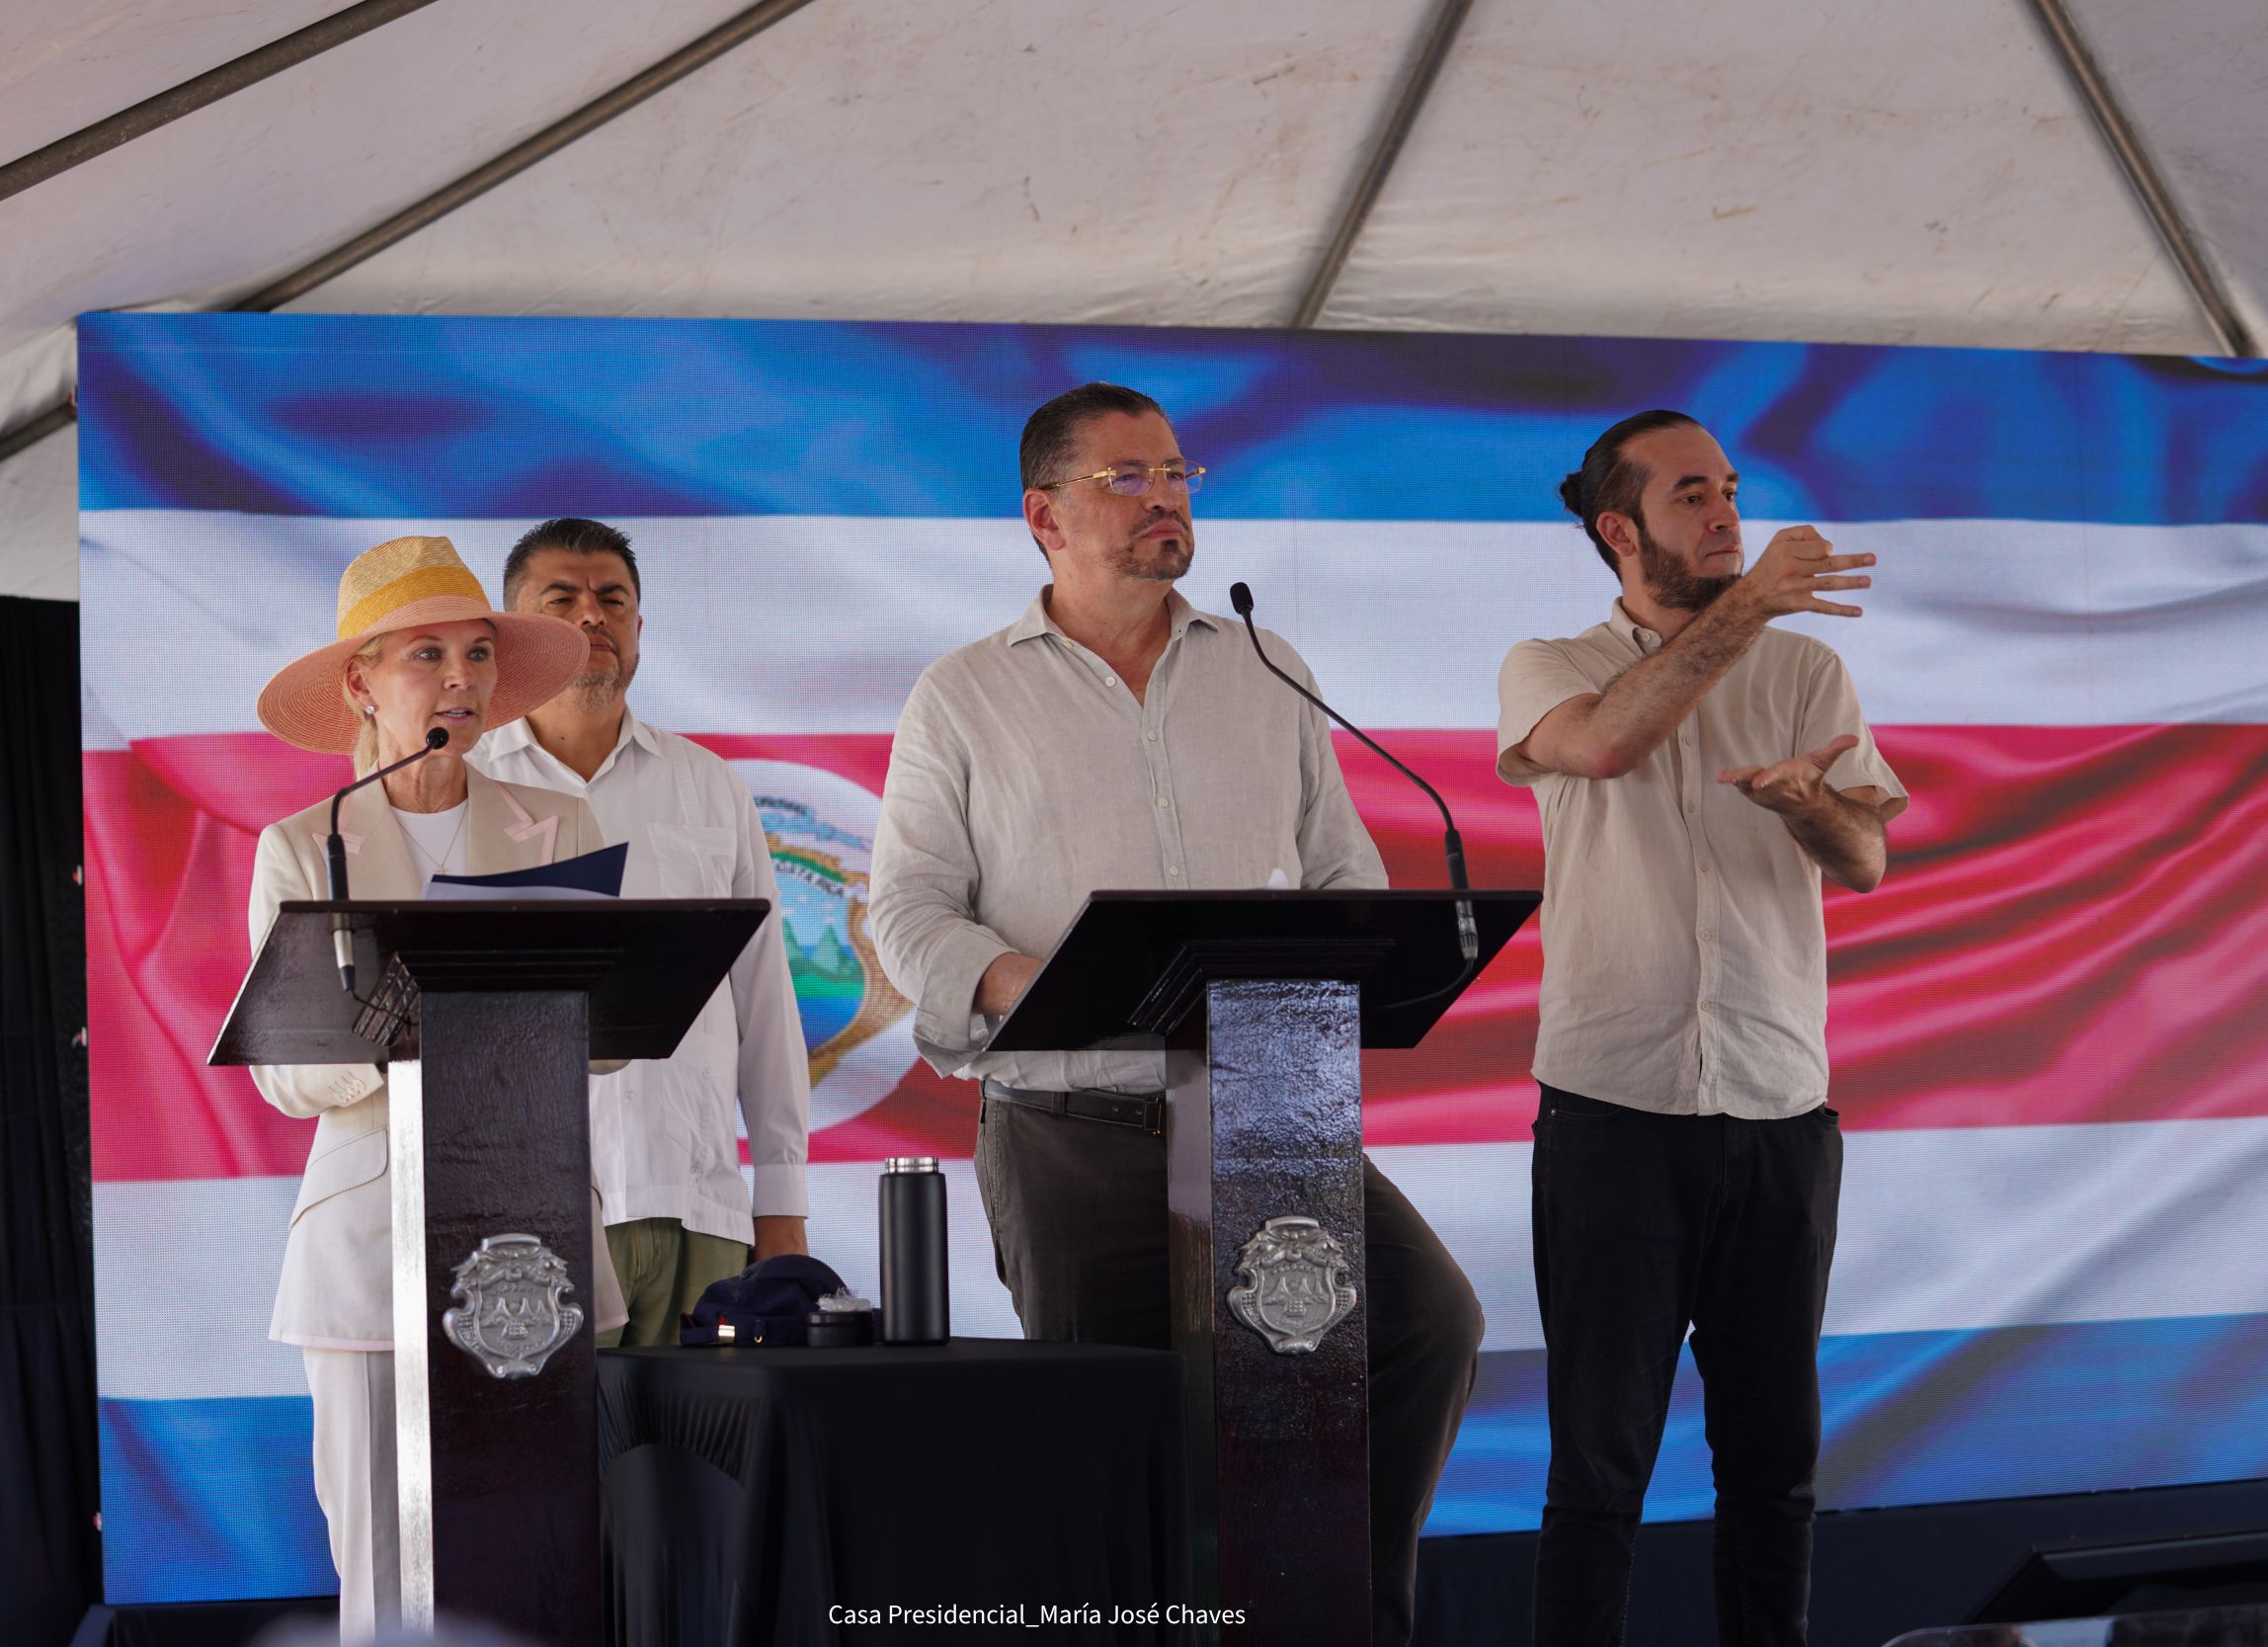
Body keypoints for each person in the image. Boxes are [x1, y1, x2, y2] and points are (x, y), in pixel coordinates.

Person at [868, 382, 1485, 1647]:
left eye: (1176, 473)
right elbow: (907, 912)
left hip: (1265, 1121)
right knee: (1115, 1437)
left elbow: (1343, 875)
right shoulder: (963, 693)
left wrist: (1355, 950)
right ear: (1043, 515)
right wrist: (1043, 983)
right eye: (1128, 477)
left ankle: (1334, 1619)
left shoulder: (1265, 666)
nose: (1166, 498)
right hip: (1071, 1128)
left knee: (1428, 1322)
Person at [1496, 410, 1908, 1646]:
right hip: (1613, 1114)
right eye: (1691, 495)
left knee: (1775, 1468)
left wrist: (1808, 807)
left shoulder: (1805, 672)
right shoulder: (1548, 662)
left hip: (1779, 1107)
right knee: (1597, 1472)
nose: (1726, 513)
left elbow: (1866, 857)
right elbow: (1602, 745)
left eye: (1728, 488)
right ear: (1617, 530)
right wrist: (1752, 604)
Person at [244, 534, 627, 1638]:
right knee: (381, 1552)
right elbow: (285, 1071)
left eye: (477, 653)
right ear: (361, 683)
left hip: (532, 1232)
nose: (461, 677)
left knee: (540, 1541)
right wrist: (408, 1020)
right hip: (367, 1242)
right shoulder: (303, 844)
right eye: (427, 654)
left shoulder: (559, 826)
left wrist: (485, 1007)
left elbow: (602, 1035)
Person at [471, 517, 810, 1344]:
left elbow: (765, 1002)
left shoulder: (709, 785)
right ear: (512, 636)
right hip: (521, 1216)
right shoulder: (462, 787)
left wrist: (783, 1202)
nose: (592, 616)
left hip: (699, 1205)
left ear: (640, 627)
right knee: (543, 1430)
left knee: (700, 1430)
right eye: (561, 600)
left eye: (612, 600)